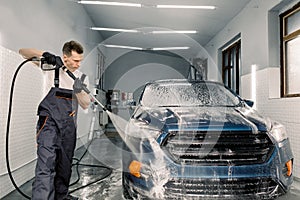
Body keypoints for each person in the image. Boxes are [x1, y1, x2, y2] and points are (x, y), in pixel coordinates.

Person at [19, 40, 90, 200]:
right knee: (46, 163)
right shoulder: (51, 68)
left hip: (69, 126)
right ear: (65, 58)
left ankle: (61, 196)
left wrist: (78, 89)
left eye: (81, 60)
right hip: (49, 124)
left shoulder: (81, 77)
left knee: (65, 165)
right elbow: (22, 51)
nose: (79, 64)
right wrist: (43, 55)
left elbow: (85, 104)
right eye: (76, 60)